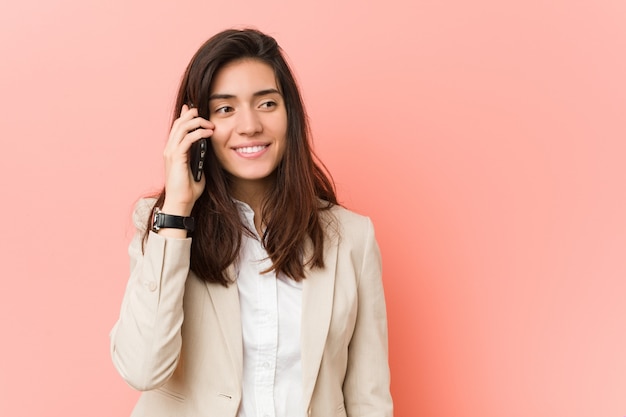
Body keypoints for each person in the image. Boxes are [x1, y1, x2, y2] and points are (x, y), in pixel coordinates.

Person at [110, 28, 393, 417]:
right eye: (225, 109)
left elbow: (369, 398)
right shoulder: (161, 225)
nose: (250, 126)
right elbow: (142, 368)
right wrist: (177, 209)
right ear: (196, 127)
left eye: (267, 104)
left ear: (290, 114)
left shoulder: (352, 238)